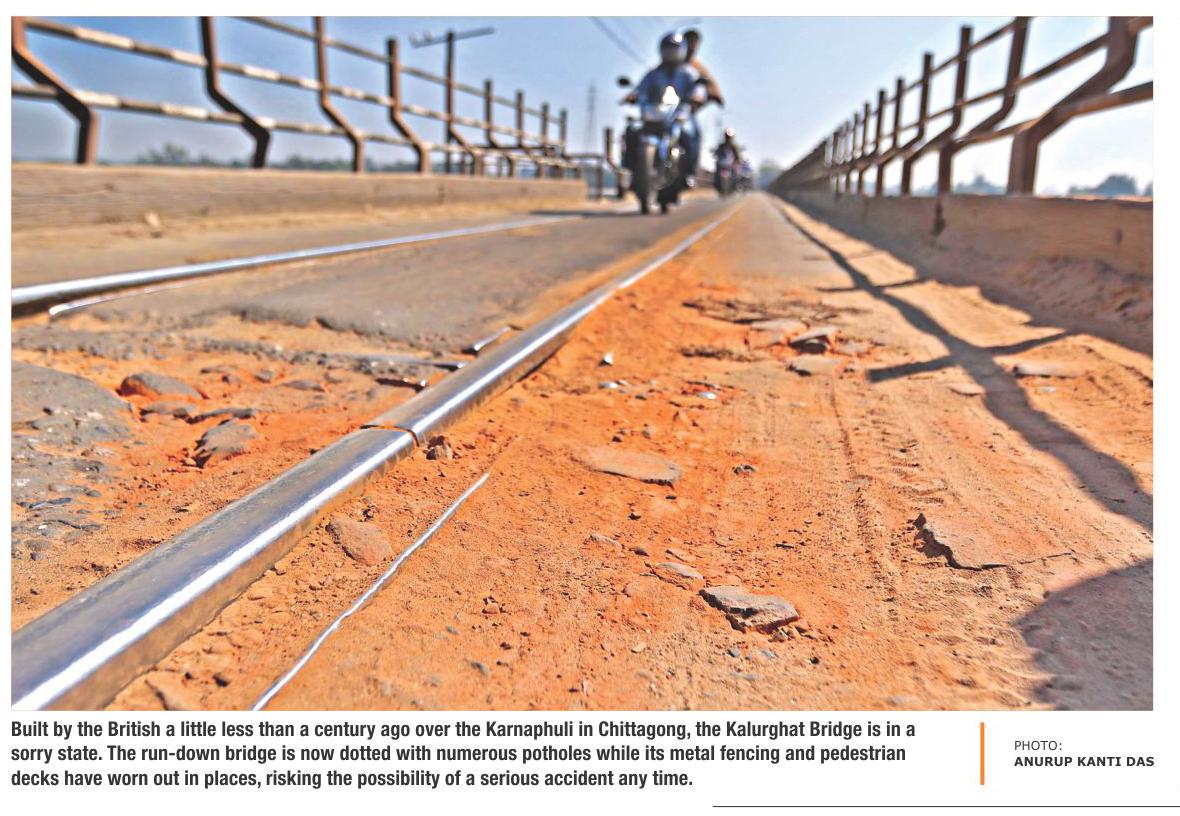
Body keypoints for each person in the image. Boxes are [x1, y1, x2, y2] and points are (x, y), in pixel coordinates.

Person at [626, 32, 705, 187]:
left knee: (692, 134)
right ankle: (630, 170)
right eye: (668, 50)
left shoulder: (688, 73)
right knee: (632, 132)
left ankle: (689, 173)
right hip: (655, 112)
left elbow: (698, 88)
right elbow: (640, 88)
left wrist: (697, 96)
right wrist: (632, 95)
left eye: (674, 50)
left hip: (679, 113)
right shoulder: (653, 74)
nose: (671, 54)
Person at [683, 29, 725, 108]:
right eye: (689, 42)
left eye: (694, 43)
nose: (692, 47)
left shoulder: (698, 67)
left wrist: (715, 94)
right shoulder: (670, 62)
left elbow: (710, 82)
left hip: (689, 104)